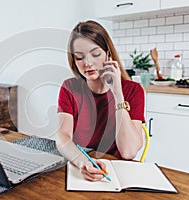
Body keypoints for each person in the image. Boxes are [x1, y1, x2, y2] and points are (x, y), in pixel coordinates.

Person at [55, 20, 145, 182]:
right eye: (79, 57)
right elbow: (62, 137)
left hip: (117, 174)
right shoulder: (70, 87)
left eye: (95, 54)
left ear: (108, 54)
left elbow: (128, 152)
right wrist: (82, 162)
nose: (88, 63)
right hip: (81, 168)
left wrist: (117, 93)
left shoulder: (133, 90)